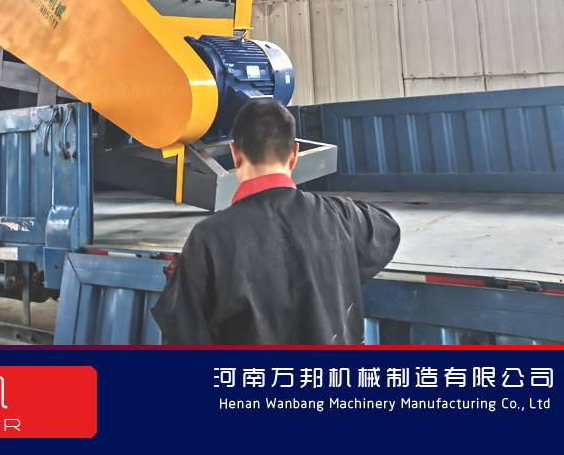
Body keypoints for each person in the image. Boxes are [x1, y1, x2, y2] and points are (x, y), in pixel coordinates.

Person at [152, 98, 400, 345]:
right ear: (294, 154)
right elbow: (388, 230)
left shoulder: (209, 239)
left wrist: (186, 274)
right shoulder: (341, 217)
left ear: (235, 154)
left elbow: (182, 333)